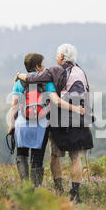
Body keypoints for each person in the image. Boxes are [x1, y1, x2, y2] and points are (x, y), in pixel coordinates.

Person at [15, 44, 93, 203]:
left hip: (59, 118)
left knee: (55, 155)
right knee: (76, 157)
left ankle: (58, 191)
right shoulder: (81, 71)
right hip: (79, 117)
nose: (56, 57)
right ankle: (75, 194)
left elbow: (33, 78)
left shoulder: (55, 70)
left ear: (63, 57)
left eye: (57, 55)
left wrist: (20, 75)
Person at [8, 53, 84, 188]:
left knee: (22, 154)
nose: (44, 66)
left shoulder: (19, 82)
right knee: (37, 158)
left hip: (22, 124)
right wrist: (75, 108)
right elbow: (56, 101)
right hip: (41, 125)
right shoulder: (46, 82)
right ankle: (35, 189)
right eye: (42, 63)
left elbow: (14, 105)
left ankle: (26, 187)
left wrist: (11, 126)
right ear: (37, 67)